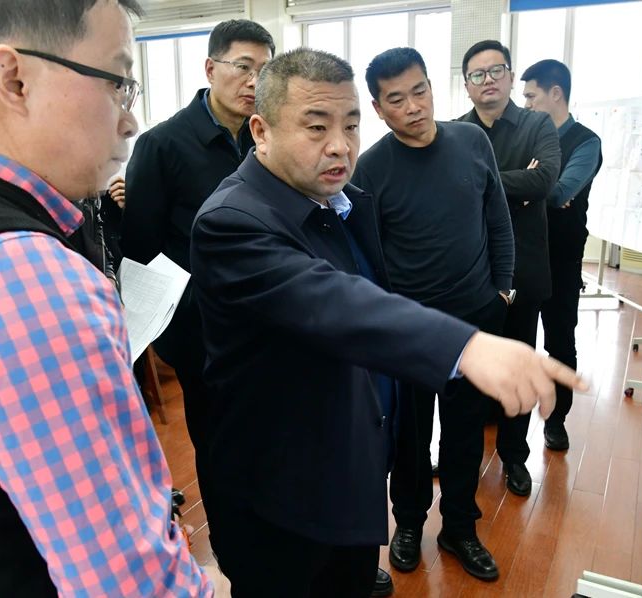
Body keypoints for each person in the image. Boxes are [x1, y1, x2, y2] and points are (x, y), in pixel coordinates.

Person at [189, 47, 586, 597]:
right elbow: (335, 301)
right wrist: (466, 346)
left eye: (350, 126)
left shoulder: (341, 198)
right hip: (286, 494)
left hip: (350, 471)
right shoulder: (232, 220)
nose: (339, 145)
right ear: (261, 130)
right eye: (316, 127)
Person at [0, 1, 211, 595]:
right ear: (14, 79)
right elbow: (130, 583)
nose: (130, 120)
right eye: (118, 82)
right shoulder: (24, 279)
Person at [351, 47, 514, 582]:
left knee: (465, 432)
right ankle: (408, 522)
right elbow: (368, 255)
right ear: (379, 110)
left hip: (473, 322)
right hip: (410, 331)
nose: (413, 107)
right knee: (410, 437)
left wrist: (503, 290)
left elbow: (498, 217)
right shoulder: (371, 169)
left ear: (431, 86)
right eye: (396, 100)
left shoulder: (472, 142)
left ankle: (460, 527)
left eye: (419, 91)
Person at [122, 18, 274, 503]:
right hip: (202, 332)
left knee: (271, 439)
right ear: (211, 68)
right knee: (218, 445)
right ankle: (231, 542)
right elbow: (140, 248)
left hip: (267, 320)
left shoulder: (267, 140)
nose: (254, 82)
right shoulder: (162, 144)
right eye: (243, 67)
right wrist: (181, 324)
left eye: (264, 71)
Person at [456, 40, 562, 497]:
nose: (488, 80)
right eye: (477, 74)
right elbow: (448, 190)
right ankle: (461, 458)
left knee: (518, 364)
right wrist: (514, 181)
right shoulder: (454, 132)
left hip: (522, 267)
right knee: (469, 369)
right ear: (467, 85)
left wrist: (481, 180)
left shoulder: (537, 124)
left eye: (496, 70)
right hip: (470, 271)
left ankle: (514, 457)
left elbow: (543, 181)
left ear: (511, 76)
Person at [521, 59, 602, 450]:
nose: (526, 104)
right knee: (516, 339)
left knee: (559, 341)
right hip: (522, 255)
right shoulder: (526, 135)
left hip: (562, 258)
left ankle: (556, 420)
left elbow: (558, 193)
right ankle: (505, 414)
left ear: (555, 93)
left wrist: (534, 181)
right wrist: (534, 183)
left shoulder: (586, 142)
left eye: (531, 96)